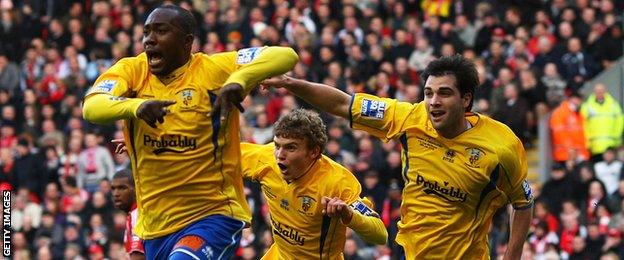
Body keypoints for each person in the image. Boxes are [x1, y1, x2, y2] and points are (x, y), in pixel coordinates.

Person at [261, 55, 533, 259]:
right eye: (428, 93)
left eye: (444, 93)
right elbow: (344, 103)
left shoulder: (501, 147)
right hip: (407, 250)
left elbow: (523, 203)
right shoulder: (409, 118)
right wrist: (289, 83)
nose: (434, 102)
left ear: (466, 100)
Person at [82, 4, 298, 259]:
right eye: (147, 32)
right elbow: (92, 106)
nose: (150, 40)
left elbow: (285, 55)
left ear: (187, 42)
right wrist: (137, 107)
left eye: (161, 31)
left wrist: (238, 81)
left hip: (212, 215)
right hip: (156, 225)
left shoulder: (212, 70)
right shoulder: (132, 70)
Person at [240, 109, 387, 259]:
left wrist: (348, 215)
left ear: (314, 152)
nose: (279, 155)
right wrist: (237, 205)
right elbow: (222, 162)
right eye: (277, 146)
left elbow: (380, 235)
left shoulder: (337, 181)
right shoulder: (266, 158)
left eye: (291, 147)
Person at [110, 169, 144, 260]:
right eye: (113, 189)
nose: (116, 194)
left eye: (122, 188)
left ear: (136, 189)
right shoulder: (131, 215)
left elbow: (138, 257)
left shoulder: (139, 215)